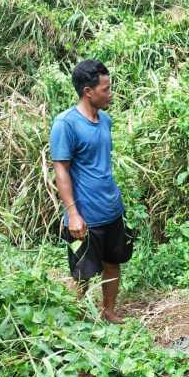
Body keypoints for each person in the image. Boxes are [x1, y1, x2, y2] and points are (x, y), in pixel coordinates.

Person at [50, 59, 132, 324]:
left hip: (111, 210)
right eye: (105, 89)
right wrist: (73, 213)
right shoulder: (66, 124)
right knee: (81, 273)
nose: (110, 93)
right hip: (84, 216)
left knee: (113, 263)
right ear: (88, 92)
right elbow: (61, 170)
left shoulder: (105, 120)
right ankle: (76, 323)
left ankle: (108, 311)